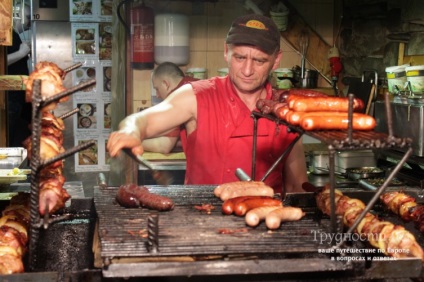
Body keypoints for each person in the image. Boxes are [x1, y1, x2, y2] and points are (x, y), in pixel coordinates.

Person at [107, 14, 308, 195]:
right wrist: (131, 132)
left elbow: (297, 186)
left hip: (267, 225)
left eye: (259, 61)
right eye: (239, 57)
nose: (247, 70)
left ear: (276, 60)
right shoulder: (196, 96)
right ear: (226, 52)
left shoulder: (286, 111)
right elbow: (142, 120)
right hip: (202, 223)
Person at [141, 62, 198, 154]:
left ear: (166, 84)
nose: (157, 95)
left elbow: (164, 146)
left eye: (157, 89)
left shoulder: (178, 96)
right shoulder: (197, 84)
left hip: (206, 160)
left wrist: (133, 142)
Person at [6, 2, 32, 147]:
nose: (29, 23)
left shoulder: (15, 36)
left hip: (16, 99)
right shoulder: (6, 35)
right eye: (28, 18)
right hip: (9, 99)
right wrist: (21, 53)